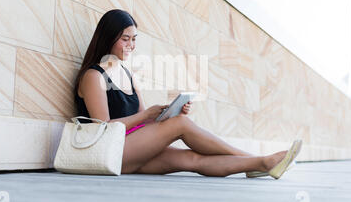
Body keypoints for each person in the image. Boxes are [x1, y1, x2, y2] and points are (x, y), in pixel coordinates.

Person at [74, 9, 301, 178]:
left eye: (134, 39)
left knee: (191, 159)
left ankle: (258, 165)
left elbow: (142, 121)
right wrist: (150, 117)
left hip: (133, 149)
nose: (131, 45)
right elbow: (102, 127)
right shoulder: (94, 76)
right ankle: (257, 159)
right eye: (125, 39)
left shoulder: (128, 75)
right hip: (110, 152)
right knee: (181, 124)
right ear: (108, 37)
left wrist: (166, 114)